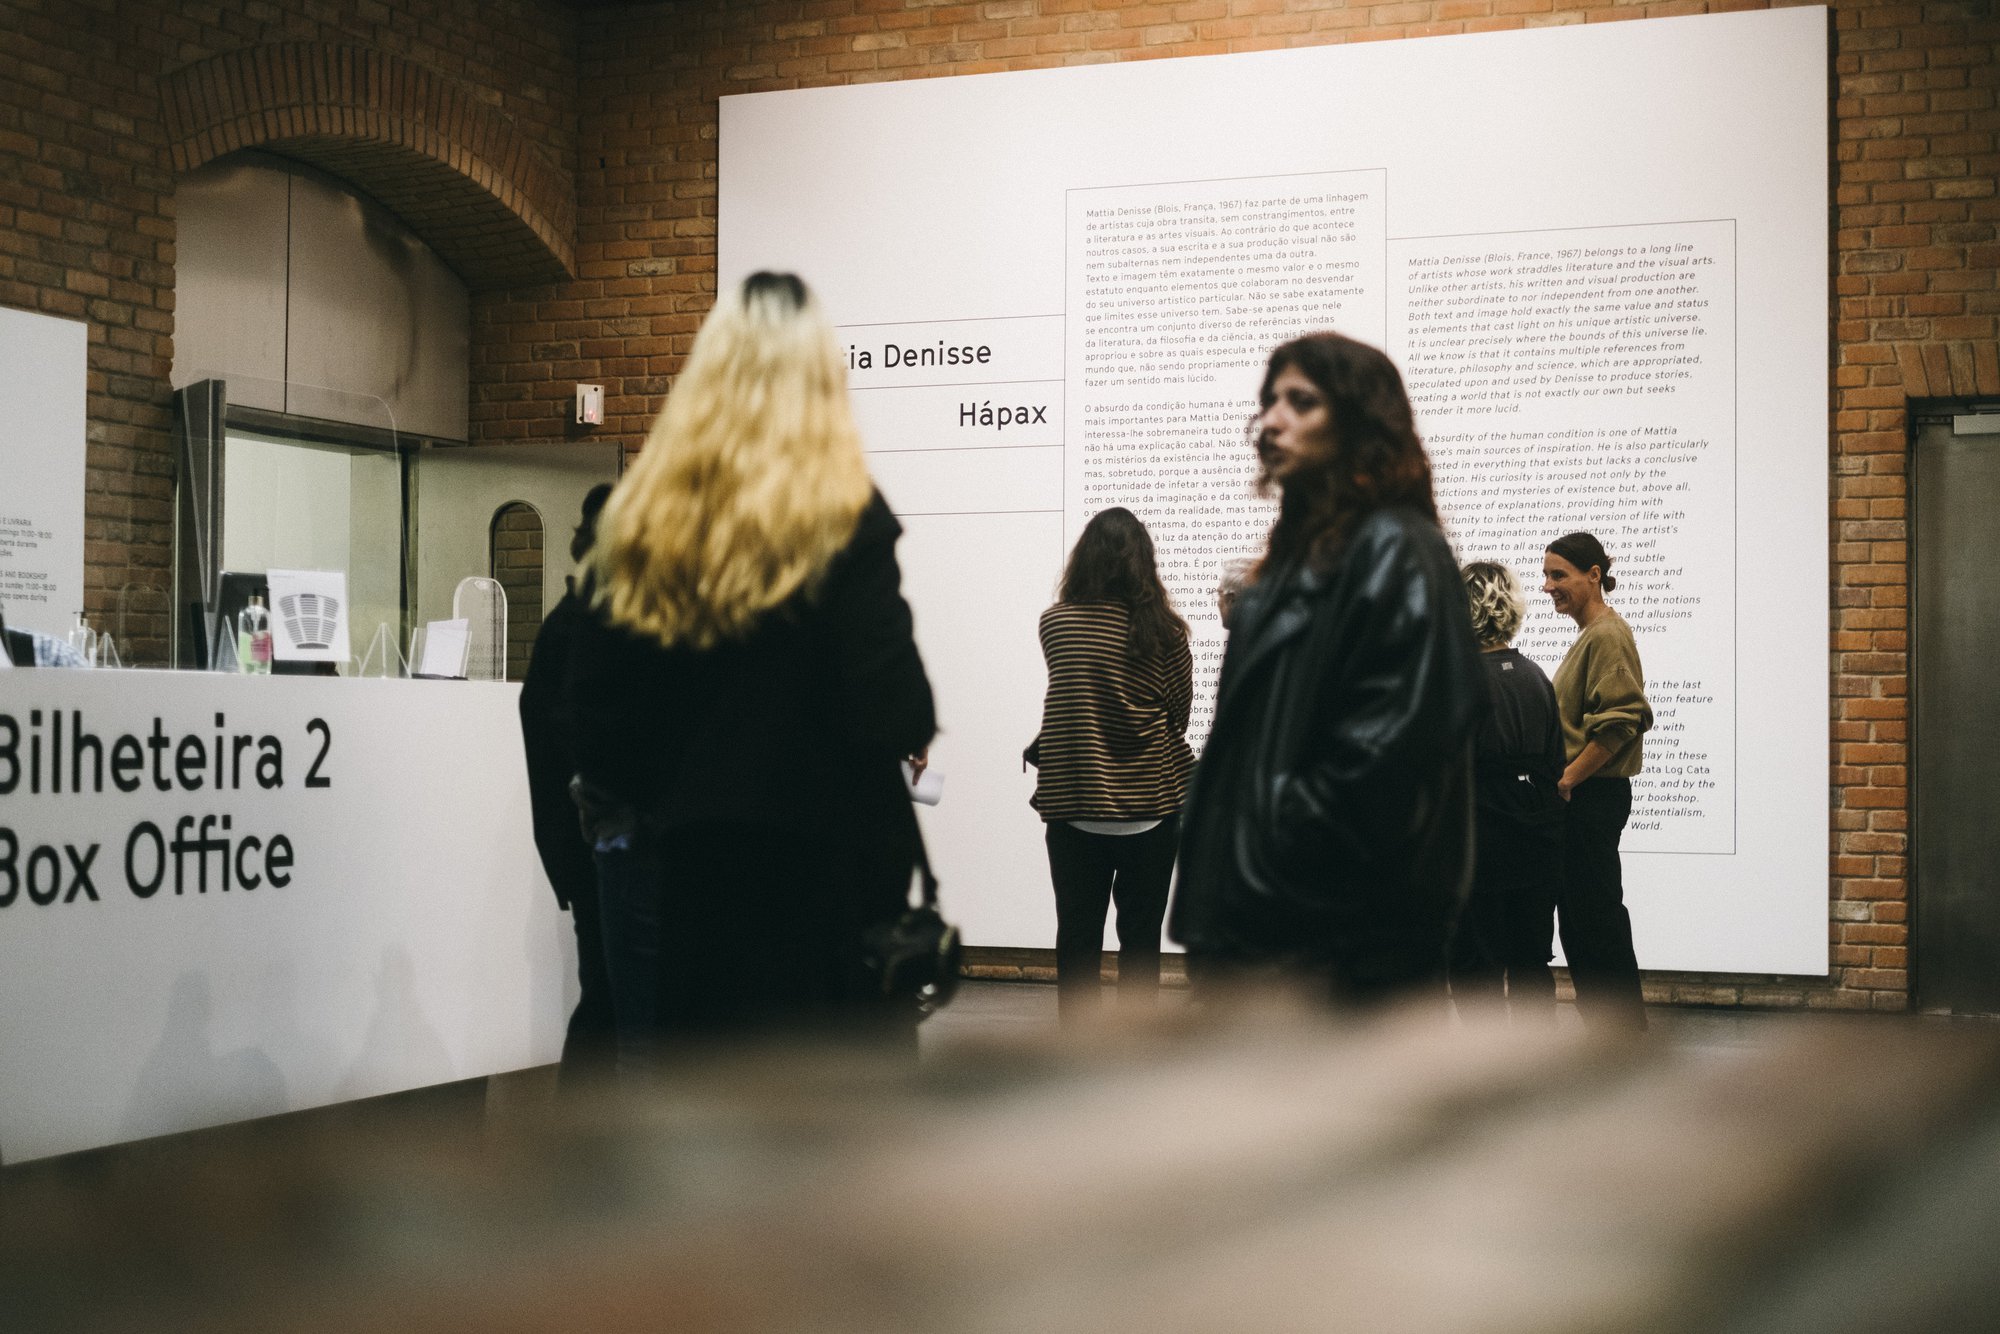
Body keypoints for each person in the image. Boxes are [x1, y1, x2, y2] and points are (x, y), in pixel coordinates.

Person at [560, 272, 936, 1065]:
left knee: (707, 1126)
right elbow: (896, 706)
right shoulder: (843, 514)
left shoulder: (644, 519)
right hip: (831, 889)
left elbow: (594, 719)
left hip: (692, 885)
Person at [1170, 332, 1481, 1006]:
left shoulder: (1397, 549)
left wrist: (1278, 840)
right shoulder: (1301, 556)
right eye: (1270, 400)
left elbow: (1392, 754)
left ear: (1357, 421)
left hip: (1332, 933)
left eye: (1301, 402)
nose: (1272, 419)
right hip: (1266, 920)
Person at [1028, 507, 1194, 1023]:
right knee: (1140, 938)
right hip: (1150, 809)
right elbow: (1179, 718)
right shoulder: (1167, 634)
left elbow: (1079, 697)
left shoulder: (1055, 624)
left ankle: (1078, 1049)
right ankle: (1134, 1048)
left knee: (1077, 935)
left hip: (1076, 808)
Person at [518, 482, 617, 1085]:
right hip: (599, 846)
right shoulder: (580, 631)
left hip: (590, 847)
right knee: (608, 998)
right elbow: (568, 746)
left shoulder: (579, 626)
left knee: (608, 996)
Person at [1543, 531, 1653, 1031]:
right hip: (1586, 799)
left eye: (1559, 575)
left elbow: (1621, 722)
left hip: (1591, 798)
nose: (1548, 586)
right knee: (1586, 921)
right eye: (1546, 575)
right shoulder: (1592, 634)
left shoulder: (1606, 635)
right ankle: (1611, 1034)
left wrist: (1565, 780)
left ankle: (1619, 1036)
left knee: (1595, 921)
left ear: (1594, 576)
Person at [1449, 562, 1564, 1017]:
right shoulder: (1535, 676)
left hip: (1479, 839)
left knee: (1476, 967)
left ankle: (1487, 1072)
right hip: (1534, 839)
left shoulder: (1457, 682)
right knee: (1531, 961)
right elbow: (1555, 763)